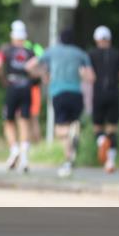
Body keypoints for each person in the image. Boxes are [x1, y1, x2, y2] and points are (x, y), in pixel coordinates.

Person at [26, 28, 95, 178]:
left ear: (61, 39)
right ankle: (69, 156)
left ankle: (68, 154)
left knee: (60, 129)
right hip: (76, 93)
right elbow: (91, 77)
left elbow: (30, 65)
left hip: (58, 93)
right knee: (73, 122)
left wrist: (43, 74)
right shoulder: (81, 54)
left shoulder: (52, 51)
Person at [88, 25, 119, 173]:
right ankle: (110, 162)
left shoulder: (90, 55)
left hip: (98, 94)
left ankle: (101, 141)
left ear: (96, 39)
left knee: (97, 127)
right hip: (114, 94)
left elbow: (88, 76)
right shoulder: (118, 55)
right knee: (112, 129)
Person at [0, 20, 37, 172]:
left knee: (8, 120)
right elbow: (35, 70)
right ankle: (24, 156)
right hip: (26, 87)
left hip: (12, 86)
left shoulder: (6, 49)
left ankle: (14, 149)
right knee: (25, 120)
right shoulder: (30, 51)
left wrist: (2, 78)